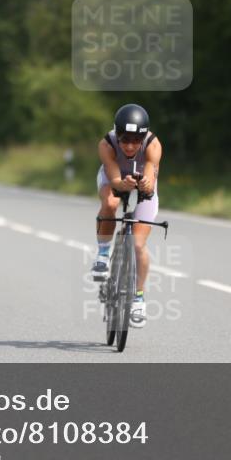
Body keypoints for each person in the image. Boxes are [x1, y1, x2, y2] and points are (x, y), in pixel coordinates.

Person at [92, 104, 162, 328]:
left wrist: (145, 184)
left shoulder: (153, 145)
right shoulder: (106, 144)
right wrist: (122, 184)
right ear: (117, 135)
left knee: (138, 245)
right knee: (111, 202)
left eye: (135, 141)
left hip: (143, 184)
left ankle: (138, 297)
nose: (130, 146)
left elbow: (150, 183)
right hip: (114, 178)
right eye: (125, 140)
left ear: (143, 138)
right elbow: (113, 179)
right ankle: (103, 254)